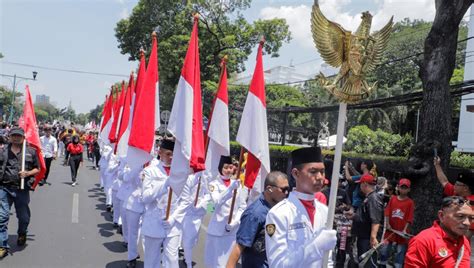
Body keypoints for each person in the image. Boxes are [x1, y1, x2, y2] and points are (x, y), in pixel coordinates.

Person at [265, 147, 337, 267]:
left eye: (322, 171)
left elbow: (327, 259)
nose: (320, 177)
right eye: (313, 171)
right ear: (296, 173)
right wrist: (315, 246)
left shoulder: (324, 211)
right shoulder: (279, 214)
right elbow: (277, 264)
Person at [226, 171, 290, 268]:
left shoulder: (281, 208)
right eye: (283, 189)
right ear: (269, 189)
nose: (286, 193)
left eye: (288, 189)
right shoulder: (255, 214)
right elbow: (239, 247)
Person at [141, 139, 184, 268]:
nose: (171, 157)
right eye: (168, 154)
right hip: (154, 221)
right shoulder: (150, 171)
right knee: (151, 260)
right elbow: (146, 197)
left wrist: (174, 218)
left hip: (172, 223)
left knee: (172, 260)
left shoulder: (180, 173)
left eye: (173, 155)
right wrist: (164, 184)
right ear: (160, 152)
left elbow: (185, 200)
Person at [0, 127, 40, 258]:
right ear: (10, 137)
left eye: (19, 136)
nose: (16, 138)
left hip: (22, 189)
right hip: (4, 188)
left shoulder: (31, 152)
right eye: (14, 135)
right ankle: (2, 245)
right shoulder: (2, 151)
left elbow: (37, 168)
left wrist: (27, 173)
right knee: (2, 217)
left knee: (23, 217)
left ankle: (22, 233)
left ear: (23, 137)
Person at [204, 155, 248, 267]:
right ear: (220, 169)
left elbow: (242, 206)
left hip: (231, 231)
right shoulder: (213, 184)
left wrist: (235, 222)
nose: (228, 170)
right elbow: (216, 202)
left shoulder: (238, 185)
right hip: (217, 230)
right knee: (215, 262)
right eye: (225, 167)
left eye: (230, 167)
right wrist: (230, 189)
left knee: (228, 263)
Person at [404, 196, 473, 267]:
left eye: (471, 218)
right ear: (441, 216)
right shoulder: (423, 241)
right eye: (460, 216)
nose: (467, 223)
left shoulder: (464, 242)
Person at [379, 178, 415, 268]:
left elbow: (409, 218)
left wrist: (405, 230)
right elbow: (387, 212)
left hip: (402, 232)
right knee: (384, 249)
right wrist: (387, 224)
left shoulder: (410, 202)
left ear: (409, 189)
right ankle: (382, 264)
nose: (403, 189)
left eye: (405, 188)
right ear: (398, 188)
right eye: (402, 187)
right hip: (390, 229)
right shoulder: (393, 199)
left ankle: (397, 266)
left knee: (400, 251)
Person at [351, 173, 384, 268]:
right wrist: (354, 216)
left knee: (368, 263)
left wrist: (373, 237)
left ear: (365, 184)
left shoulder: (373, 198)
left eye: (360, 184)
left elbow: (376, 219)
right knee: (363, 262)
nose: (359, 186)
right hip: (363, 236)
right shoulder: (369, 197)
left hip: (367, 238)